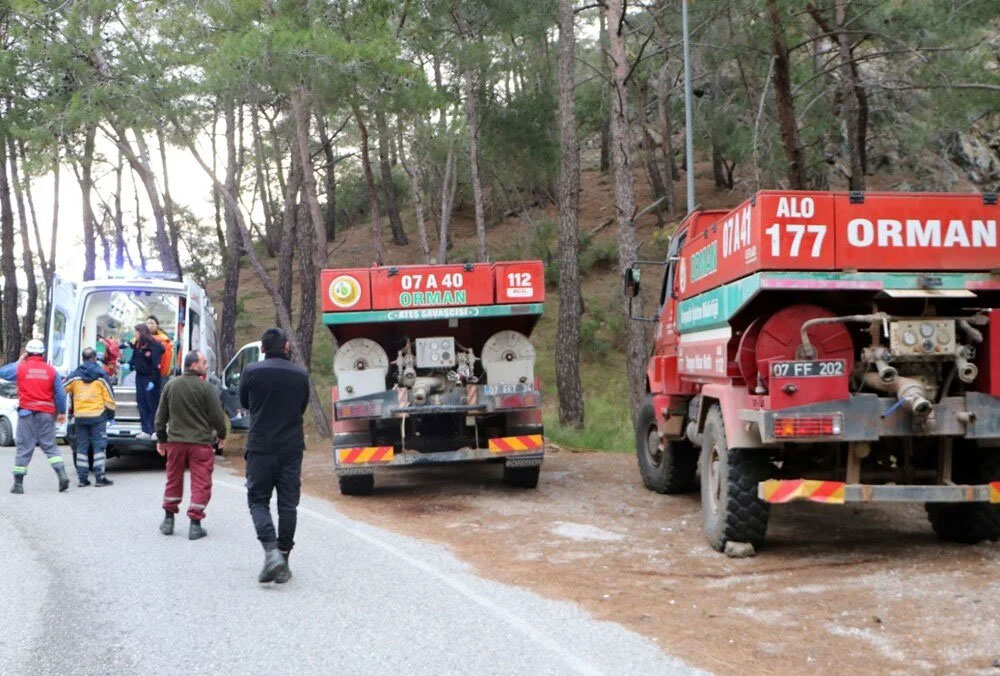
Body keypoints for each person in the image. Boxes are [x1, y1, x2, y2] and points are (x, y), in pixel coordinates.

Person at [240, 328, 310, 584]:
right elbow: (302, 406)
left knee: (258, 501)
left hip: (260, 446)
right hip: (291, 448)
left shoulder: (251, 372)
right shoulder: (300, 374)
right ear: (287, 346)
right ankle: (283, 557)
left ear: (263, 349)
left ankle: (271, 552)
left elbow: (245, 403)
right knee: (288, 504)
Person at [155, 350, 228, 540]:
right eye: (204, 362)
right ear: (193, 365)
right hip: (200, 444)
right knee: (201, 482)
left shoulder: (171, 385)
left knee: (173, 479)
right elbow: (217, 416)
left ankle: (168, 520)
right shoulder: (206, 388)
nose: (207, 365)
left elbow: (161, 416)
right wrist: (221, 435)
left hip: (176, 442)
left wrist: (162, 439)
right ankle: (195, 525)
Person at [0, 340, 70, 494]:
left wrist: (18, 361)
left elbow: (2, 373)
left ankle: (18, 484)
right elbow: (60, 394)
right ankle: (61, 474)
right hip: (46, 414)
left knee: (24, 448)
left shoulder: (21, 368)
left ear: (27, 353)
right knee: (50, 445)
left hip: (27, 414)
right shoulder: (51, 371)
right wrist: (62, 413)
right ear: (42, 354)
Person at [64, 347, 117, 487]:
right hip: (98, 416)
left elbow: (61, 388)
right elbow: (110, 398)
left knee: (82, 447)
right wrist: (110, 415)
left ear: (82, 359)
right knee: (99, 447)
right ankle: (100, 478)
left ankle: (82, 479)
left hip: (80, 416)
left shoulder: (75, 375)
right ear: (95, 358)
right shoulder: (101, 375)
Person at [129, 323, 165, 439]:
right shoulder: (138, 345)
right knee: (142, 403)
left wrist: (153, 381)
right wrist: (129, 364)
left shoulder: (154, 346)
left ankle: (154, 430)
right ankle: (145, 430)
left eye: (137, 332)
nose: (135, 335)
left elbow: (156, 366)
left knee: (152, 404)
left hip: (151, 377)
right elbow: (134, 358)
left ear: (142, 333)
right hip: (140, 377)